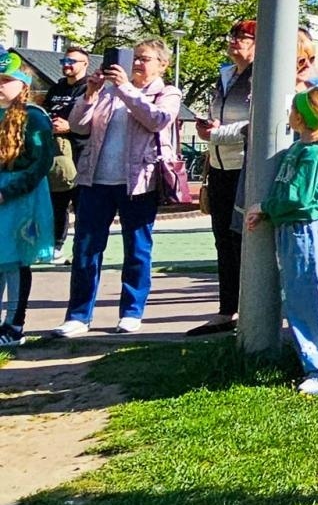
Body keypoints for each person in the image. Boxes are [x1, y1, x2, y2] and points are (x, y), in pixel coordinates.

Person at [54, 39, 182, 338]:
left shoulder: (167, 92)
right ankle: (78, 315)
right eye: (134, 57)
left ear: (162, 64)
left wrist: (126, 89)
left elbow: (157, 120)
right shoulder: (107, 90)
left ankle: (131, 312)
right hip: (96, 179)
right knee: (86, 249)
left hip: (138, 183)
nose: (136, 63)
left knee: (137, 250)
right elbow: (79, 126)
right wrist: (90, 93)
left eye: (144, 59)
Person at [244, 86, 318, 394]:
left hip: (306, 231)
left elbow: (297, 198)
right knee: (300, 300)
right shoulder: (298, 149)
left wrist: (266, 208)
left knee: (312, 300)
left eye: (292, 110)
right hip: (291, 230)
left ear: (300, 118)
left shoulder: (314, 154)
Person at [190, 19, 255, 336]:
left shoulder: (261, 75)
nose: (234, 41)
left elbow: (257, 122)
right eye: (232, 35)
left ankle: (251, 308)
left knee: (240, 239)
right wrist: (207, 129)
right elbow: (219, 118)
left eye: (242, 37)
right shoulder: (226, 75)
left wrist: (219, 133)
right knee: (222, 240)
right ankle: (227, 309)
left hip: (244, 166)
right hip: (218, 166)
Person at [0, 54, 56, 345]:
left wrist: (8, 191)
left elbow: (41, 161)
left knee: (15, 261)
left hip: (20, 198)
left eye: (6, 80)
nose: (0, 86)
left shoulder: (34, 117)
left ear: (22, 85)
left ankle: (14, 324)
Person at [44, 44, 90, 257]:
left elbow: (95, 121)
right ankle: (56, 246)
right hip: (56, 154)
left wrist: (70, 127)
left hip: (80, 155)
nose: (67, 65)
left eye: (72, 61)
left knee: (82, 206)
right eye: (64, 61)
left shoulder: (89, 88)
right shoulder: (56, 88)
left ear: (85, 64)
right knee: (56, 203)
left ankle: (81, 250)